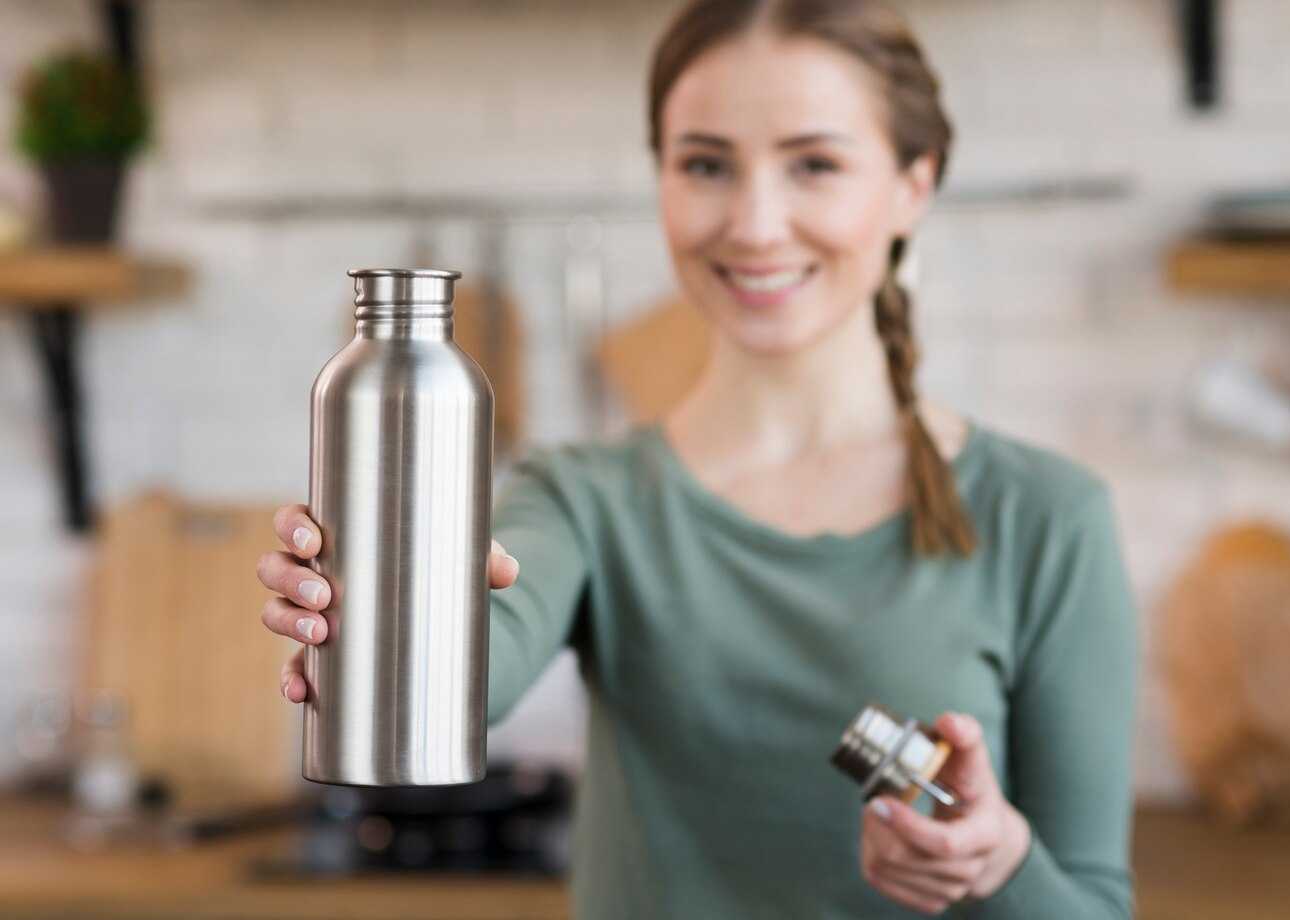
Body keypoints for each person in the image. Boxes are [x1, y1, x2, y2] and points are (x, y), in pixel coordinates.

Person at [255, 1, 1138, 916]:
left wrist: (999, 867)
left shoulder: (1049, 520)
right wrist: (372, 621)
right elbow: (480, 666)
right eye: (707, 164)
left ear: (915, 184)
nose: (754, 225)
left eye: (815, 164)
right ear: (662, 177)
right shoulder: (582, 500)